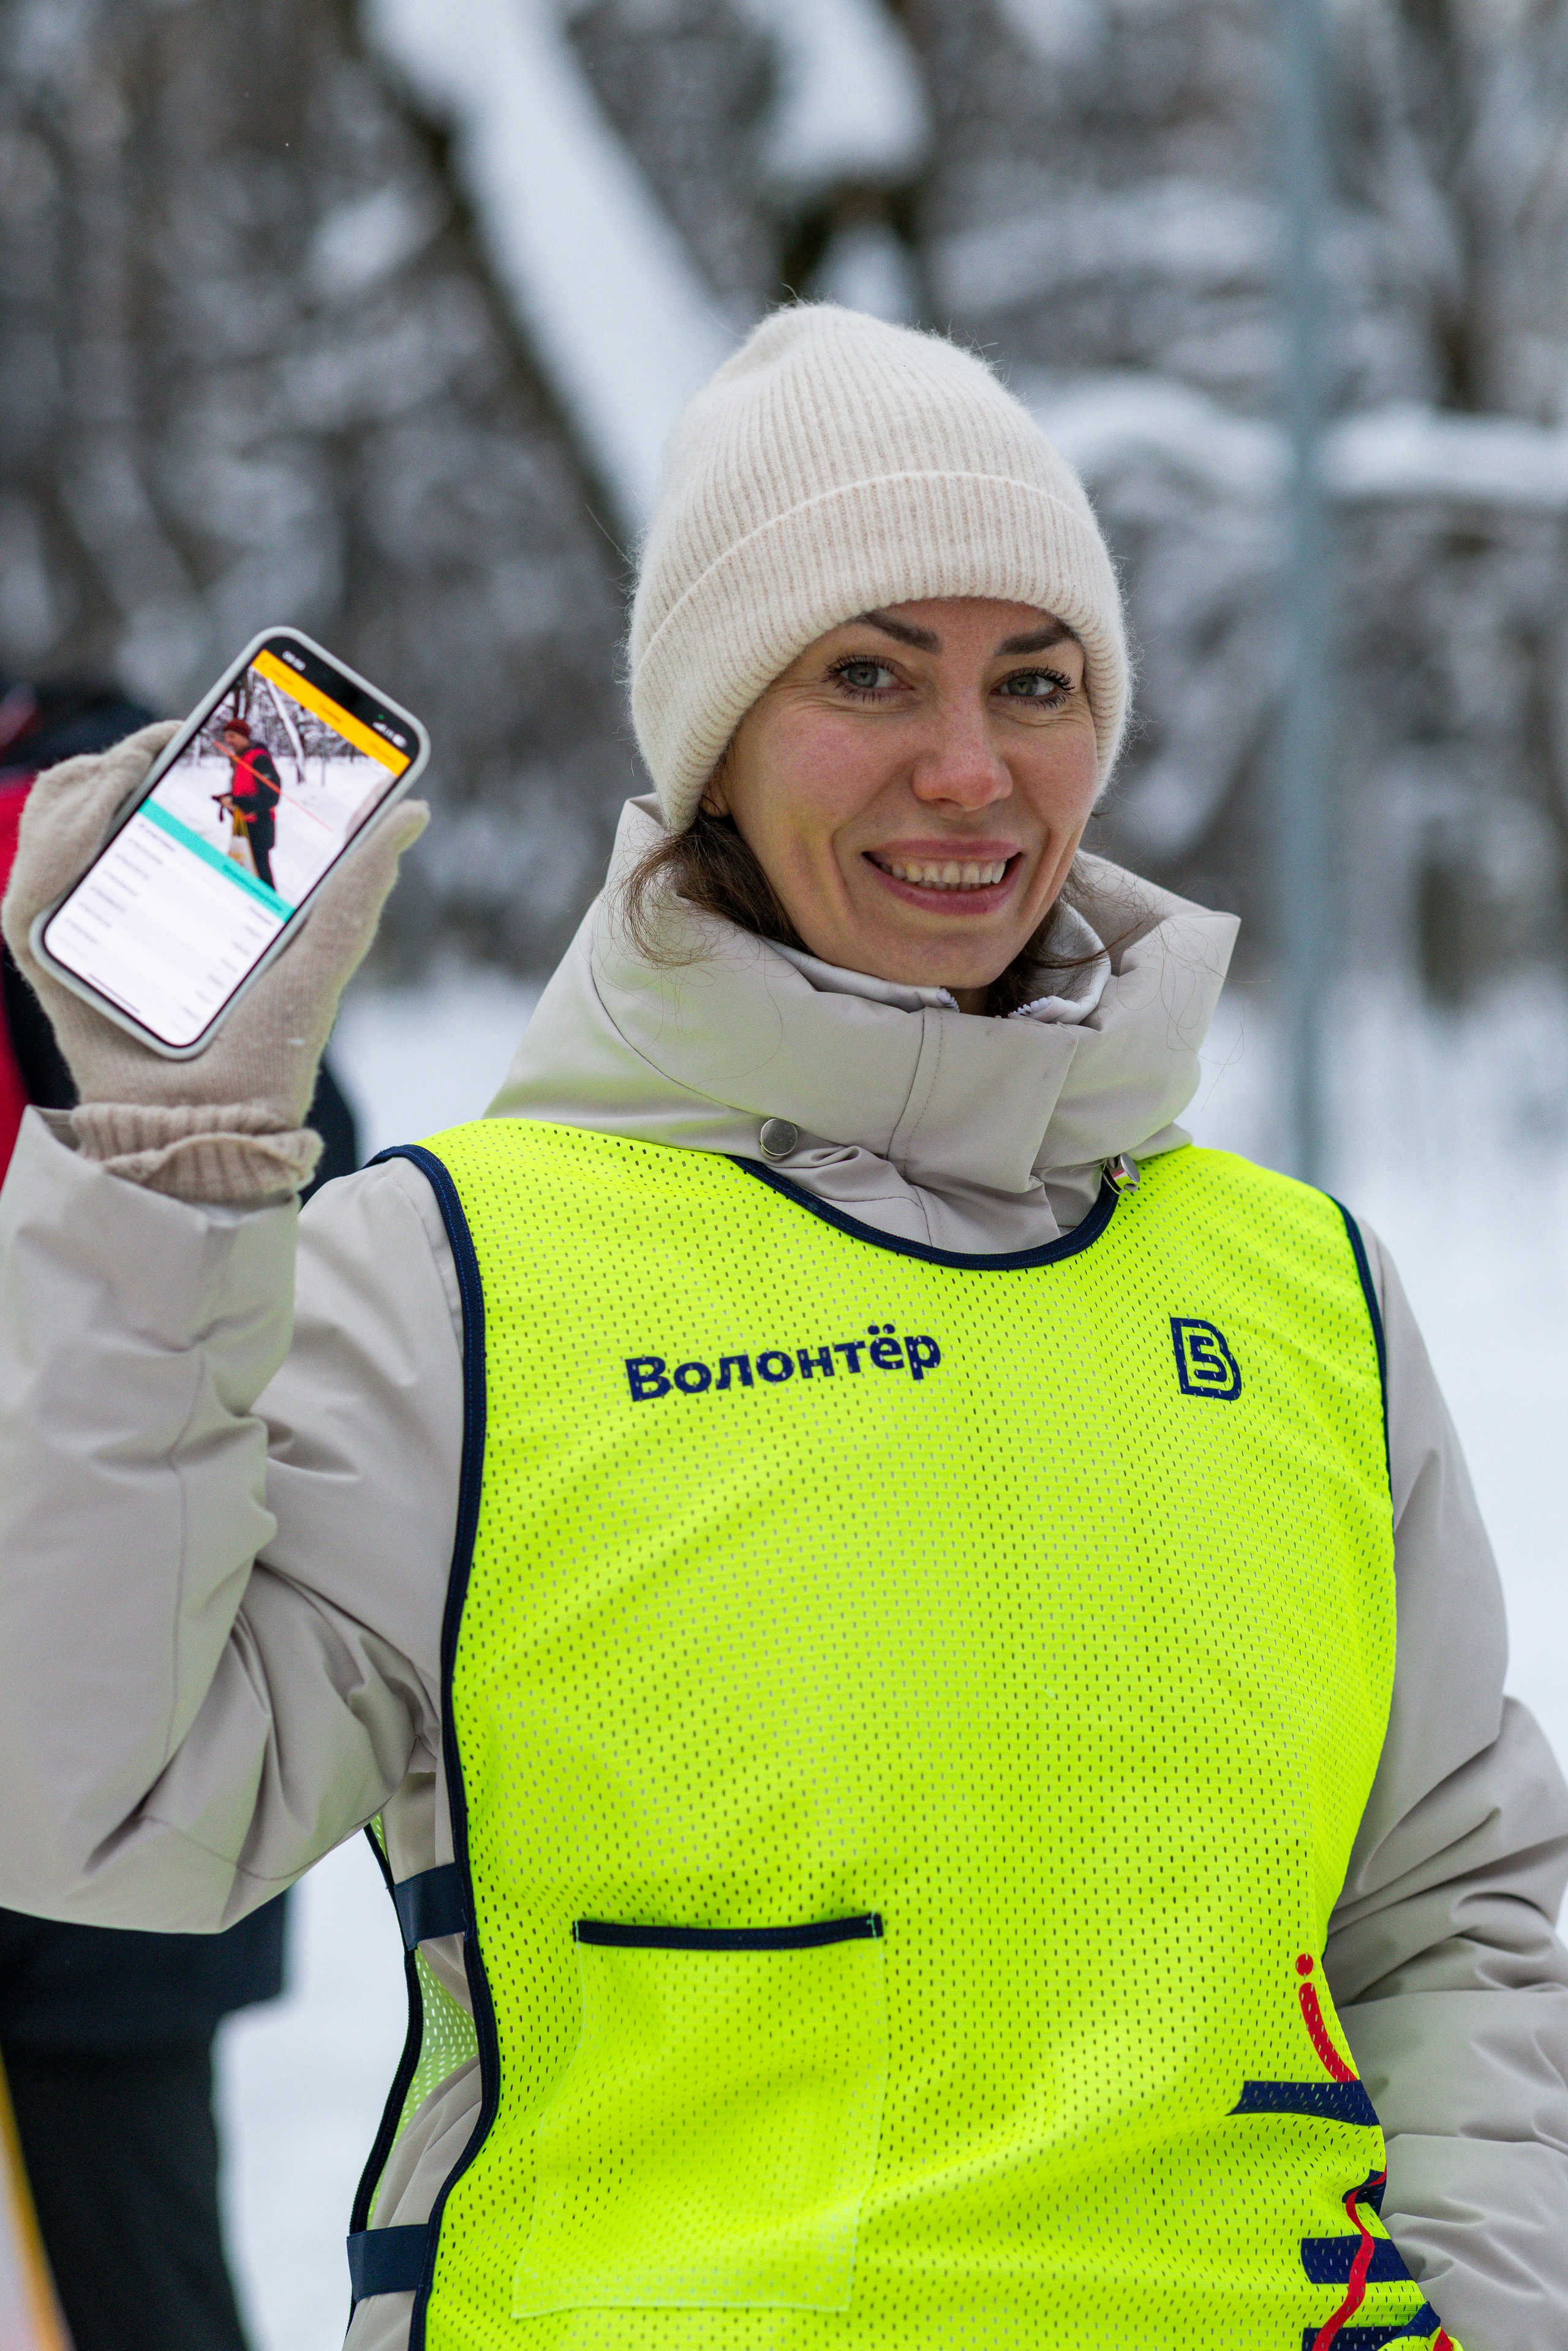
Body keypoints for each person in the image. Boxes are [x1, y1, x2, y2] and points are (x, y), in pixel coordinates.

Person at [0, 306, 1564, 2351]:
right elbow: (94, 1804)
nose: (970, 767)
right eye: (865, 673)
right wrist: (164, 1173)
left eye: (1039, 678)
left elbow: (1454, 1903)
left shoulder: (1299, 1294)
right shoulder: (461, 1276)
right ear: (711, 741)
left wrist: (1487, 2303)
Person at [0, 679, 360, 2351]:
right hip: (118, 1699)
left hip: (102, 1672)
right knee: (137, 2268)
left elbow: (294, 1183)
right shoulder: (135, 824)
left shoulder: (91, 825)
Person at [212, 719, 282, 891]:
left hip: (259, 827)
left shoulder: (259, 759)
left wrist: (237, 801)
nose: (228, 741)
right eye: (226, 737)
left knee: (261, 878)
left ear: (244, 736)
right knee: (243, 876)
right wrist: (228, 798)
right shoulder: (242, 759)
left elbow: (271, 797)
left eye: (232, 736)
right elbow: (247, 791)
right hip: (244, 825)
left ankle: (271, 910)